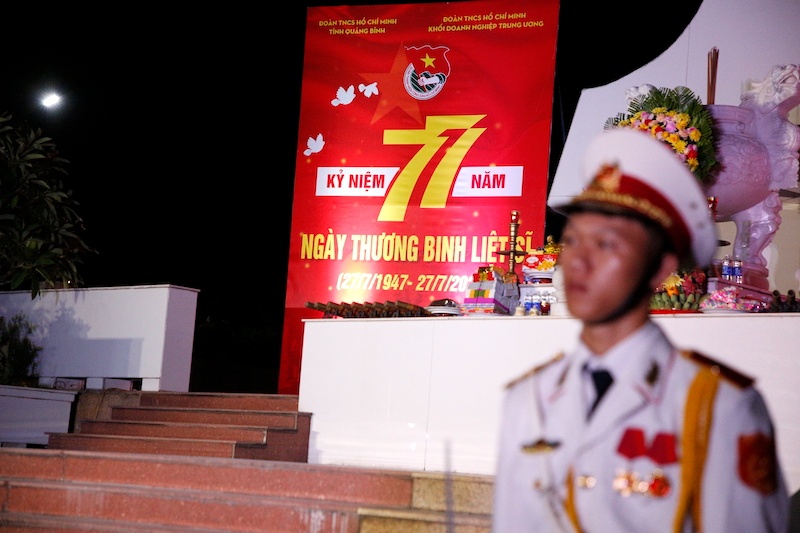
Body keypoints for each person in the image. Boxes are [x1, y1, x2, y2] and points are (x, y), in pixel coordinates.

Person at [492, 128, 790, 532]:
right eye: (573, 239)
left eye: (607, 244)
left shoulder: (717, 407)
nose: (578, 260)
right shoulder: (529, 401)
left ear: (662, 267)